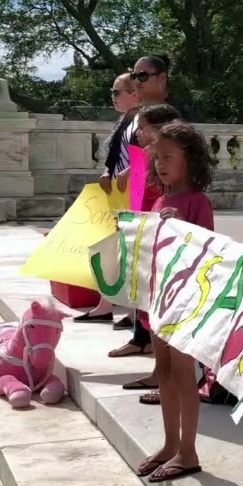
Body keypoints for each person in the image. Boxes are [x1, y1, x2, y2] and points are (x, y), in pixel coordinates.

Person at [133, 120, 215, 483]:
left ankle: (189, 449)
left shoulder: (196, 202)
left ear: (190, 161)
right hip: (159, 299)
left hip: (186, 302)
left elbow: (210, 251)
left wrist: (184, 226)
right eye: (157, 158)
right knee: (164, 372)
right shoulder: (161, 199)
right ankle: (170, 443)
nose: (161, 165)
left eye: (168, 157)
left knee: (184, 375)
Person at [107, 102, 183, 362]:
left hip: (157, 229)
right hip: (144, 227)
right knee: (140, 290)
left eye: (142, 127)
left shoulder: (163, 159)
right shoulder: (144, 156)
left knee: (151, 294)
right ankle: (142, 340)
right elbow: (137, 196)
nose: (137, 132)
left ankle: (154, 353)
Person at [76, 72, 142, 327]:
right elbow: (116, 155)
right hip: (118, 192)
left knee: (128, 251)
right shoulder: (125, 120)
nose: (112, 97)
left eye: (117, 92)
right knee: (113, 249)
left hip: (132, 193)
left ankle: (129, 310)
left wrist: (127, 173)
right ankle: (106, 305)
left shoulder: (140, 120)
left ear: (134, 94)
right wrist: (107, 171)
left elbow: (143, 156)